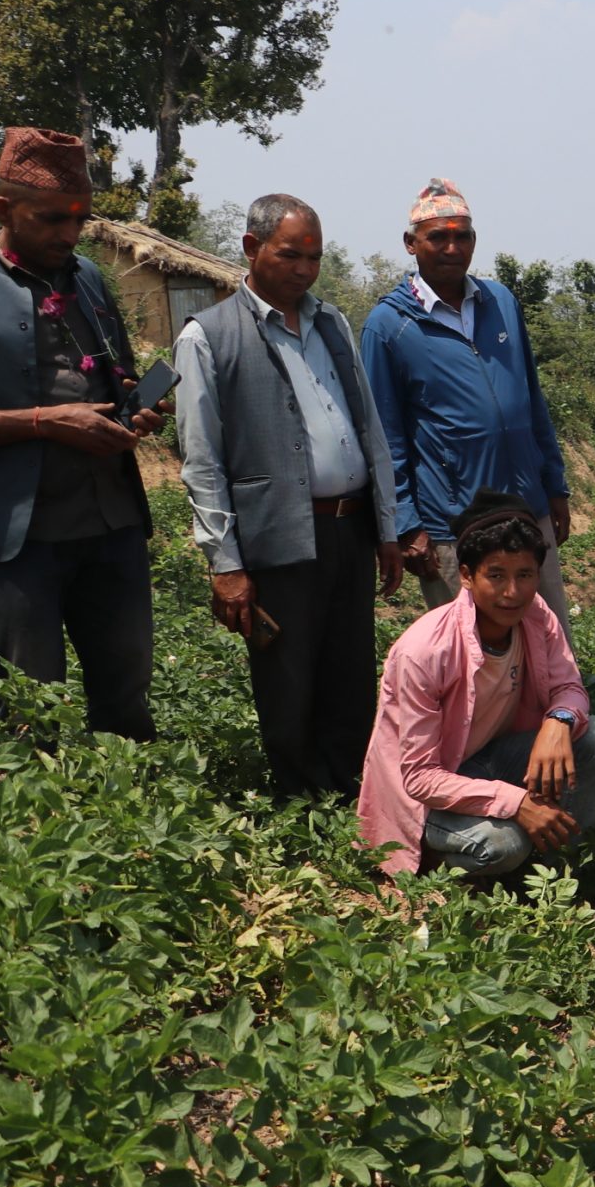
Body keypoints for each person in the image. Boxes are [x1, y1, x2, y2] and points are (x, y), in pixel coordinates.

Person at [173, 194, 404, 797]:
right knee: (288, 677)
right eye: (290, 254)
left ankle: (353, 792)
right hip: (278, 534)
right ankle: (300, 801)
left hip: (348, 529)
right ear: (252, 249)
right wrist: (225, 565)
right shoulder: (208, 336)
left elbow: (368, 426)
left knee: (349, 668)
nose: (304, 269)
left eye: (314, 257)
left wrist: (386, 529)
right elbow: (202, 462)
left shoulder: (331, 322)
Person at [0, 127, 166, 738]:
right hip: (20, 539)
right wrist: (45, 422)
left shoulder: (89, 280)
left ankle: (130, 827)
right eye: (52, 219)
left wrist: (136, 413)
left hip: (112, 527)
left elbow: (120, 375)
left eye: (79, 220)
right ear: (4, 210)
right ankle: (38, 831)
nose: (69, 235)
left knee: (126, 701)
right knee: (28, 715)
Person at [359, 493, 595, 878]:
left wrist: (559, 720)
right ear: (466, 576)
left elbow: (570, 686)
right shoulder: (424, 651)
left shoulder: (536, 615)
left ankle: (556, 871)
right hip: (428, 793)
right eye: (496, 575)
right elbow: (418, 777)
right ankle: (442, 860)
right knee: (502, 845)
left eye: (525, 575)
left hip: (492, 758)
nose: (512, 592)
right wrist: (515, 802)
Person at [359, 178, 574, 636]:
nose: (452, 247)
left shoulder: (501, 302)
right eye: (438, 236)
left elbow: (532, 401)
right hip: (452, 519)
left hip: (526, 507)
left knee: (545, 638)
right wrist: (406, 522)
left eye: (463, 235)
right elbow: (383, 435)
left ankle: (558, 711)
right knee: (469, 652)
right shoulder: (389, 325)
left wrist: (554, 486)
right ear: (411, 244)